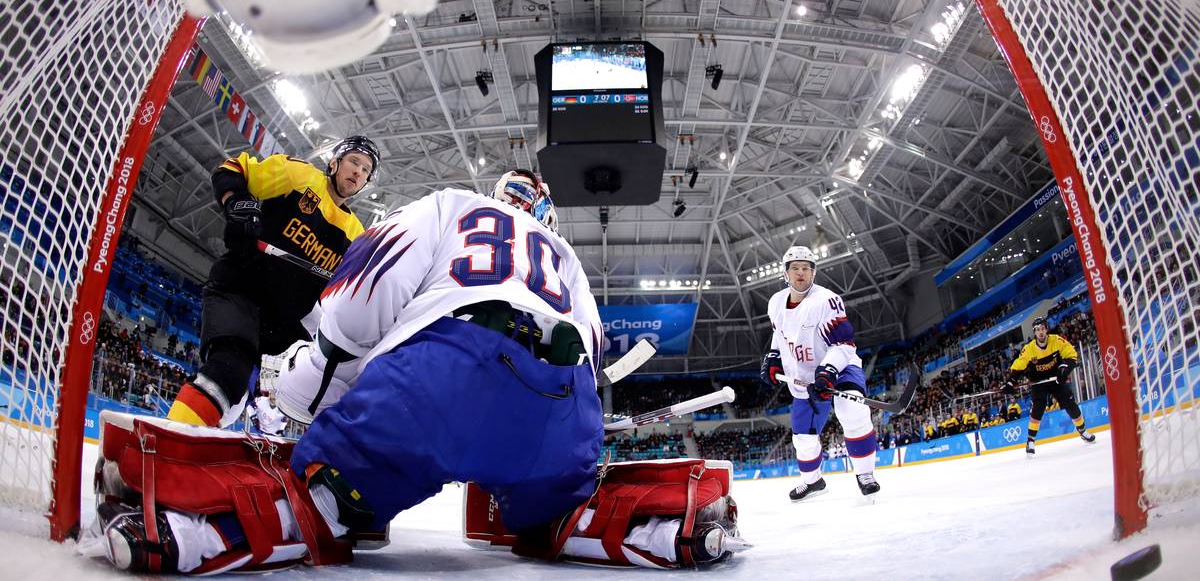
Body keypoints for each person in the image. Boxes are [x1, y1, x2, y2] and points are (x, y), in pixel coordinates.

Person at [92, 170, 744, 573]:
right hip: (560, 410)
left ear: (499, 195)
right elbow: (593, 359)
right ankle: (668, 526)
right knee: (557, 513)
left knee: (321, 497)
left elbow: (357, 306)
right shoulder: (566, 255)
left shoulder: (451, 204)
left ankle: (187, 529)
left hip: (443, 377)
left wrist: (307, 388)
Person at [166, 136, 378, 428]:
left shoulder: (356, 234)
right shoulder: (300, 176)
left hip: (284, 327)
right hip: (241, 290)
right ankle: (167, 440)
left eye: (366, 170)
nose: (358, 172)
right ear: (334, 163)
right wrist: (237, 203)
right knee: (227, 372)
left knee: (271, 402)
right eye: (354, 161)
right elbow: (232, 170)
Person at [760, 245, 881, 501]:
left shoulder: (827, 300)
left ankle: (865, 474)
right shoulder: (776, 302)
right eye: (795, 268)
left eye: (806, 268)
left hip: (841, 367)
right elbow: (779, 334)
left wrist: (828, 371)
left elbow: (844, 344)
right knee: (803, 438)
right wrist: (773, 356)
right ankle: (812, 481)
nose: (801, 273)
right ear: (786, 273)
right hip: (805, 376)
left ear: (814, 273)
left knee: (853, 411)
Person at [1003, 316, 1096, 456]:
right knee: (1037, 409)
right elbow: (1018, 366)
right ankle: (1030, 441)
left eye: (1042, 329)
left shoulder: (1056, 340)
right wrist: (1011, 381)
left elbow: (1071, 355)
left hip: (1056, 379)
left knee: (1070, 404)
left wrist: (1064, 368)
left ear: (1046, 329)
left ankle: (1083, 431)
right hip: (1038, 382)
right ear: (1034, 332)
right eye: (1037, 330)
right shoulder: (1029, 349)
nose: (1040, 332)